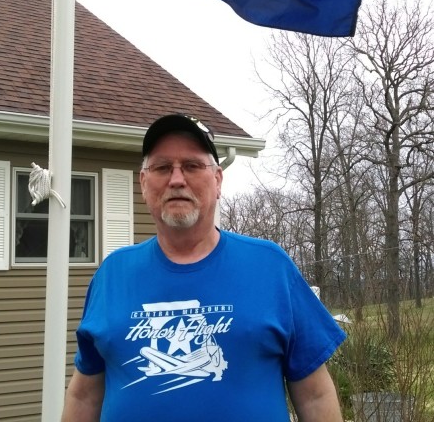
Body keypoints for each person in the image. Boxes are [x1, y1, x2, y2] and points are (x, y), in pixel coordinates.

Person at [61, 113, 346, 421]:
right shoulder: (112, 274)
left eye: (192, 166)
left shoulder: (270, 267)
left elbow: (316, 396)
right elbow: (84, 394)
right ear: (144, 183)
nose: (177, 179)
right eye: (161, 167)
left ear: (218, 180)